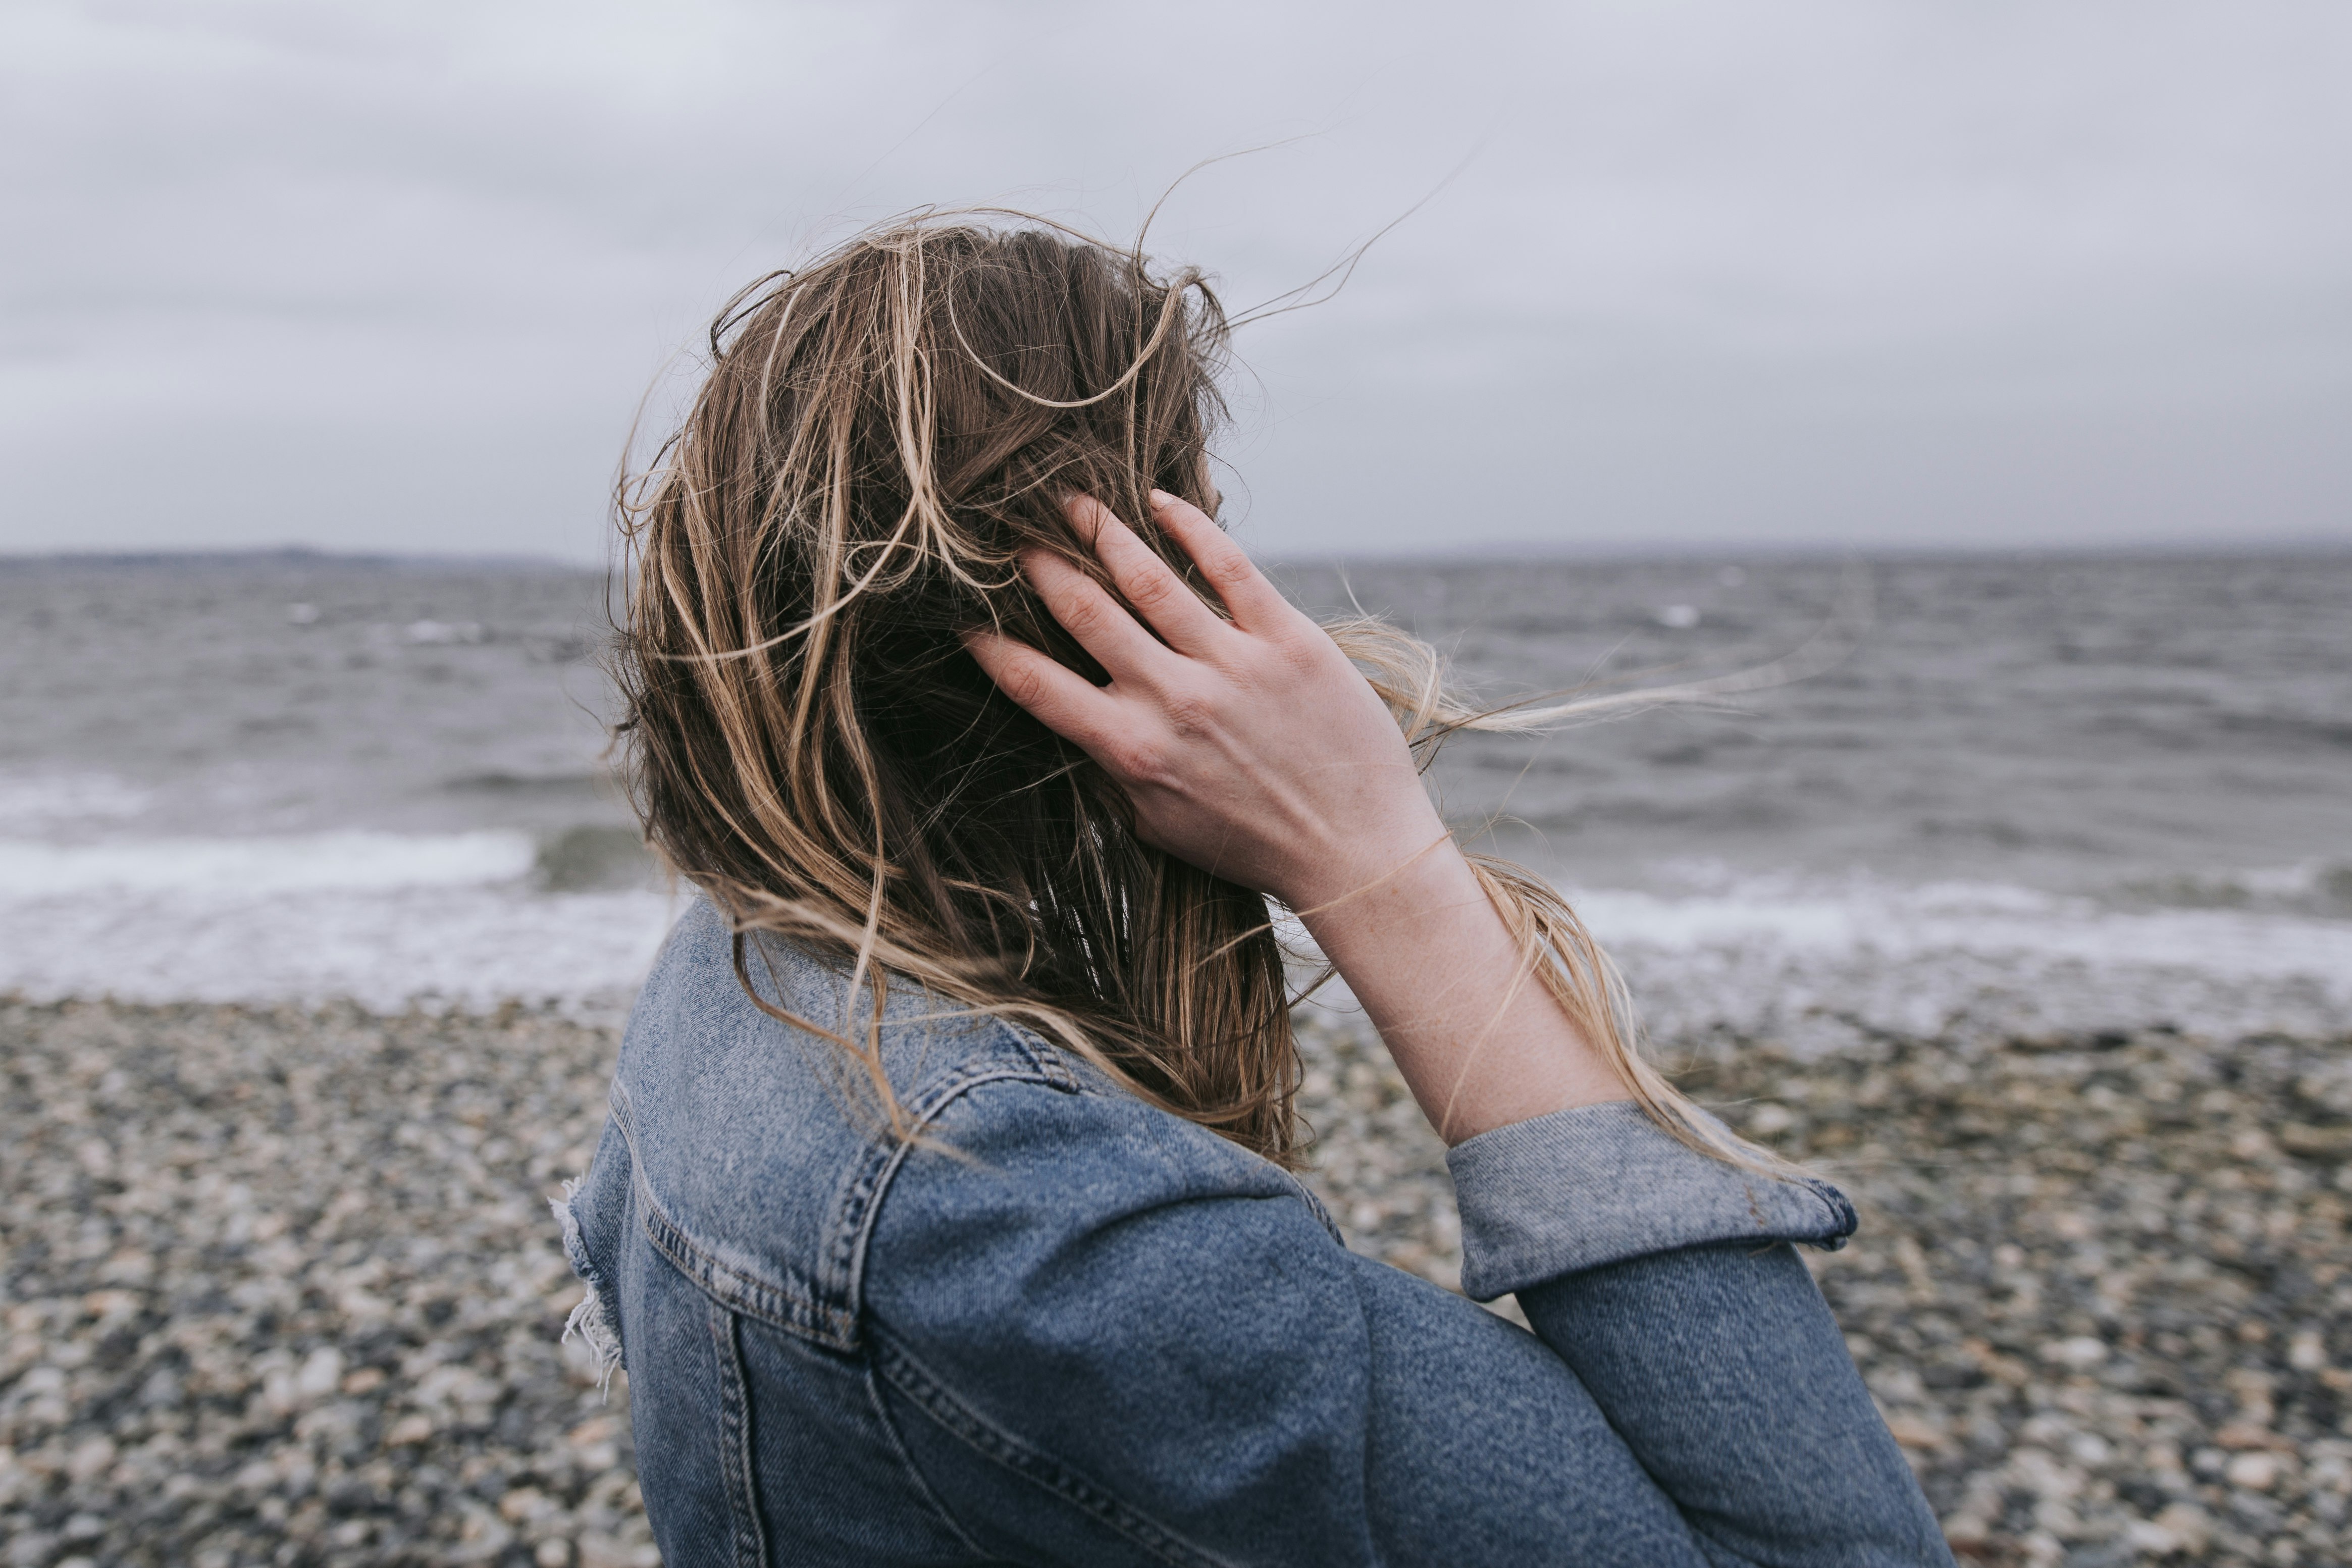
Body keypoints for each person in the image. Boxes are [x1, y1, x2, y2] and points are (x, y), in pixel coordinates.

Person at [553, 217, 1954, 1566]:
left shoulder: (733, 971)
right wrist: (1376, 861)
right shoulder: (1024, 1222)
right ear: (1129, 603)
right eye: (1204, 529)